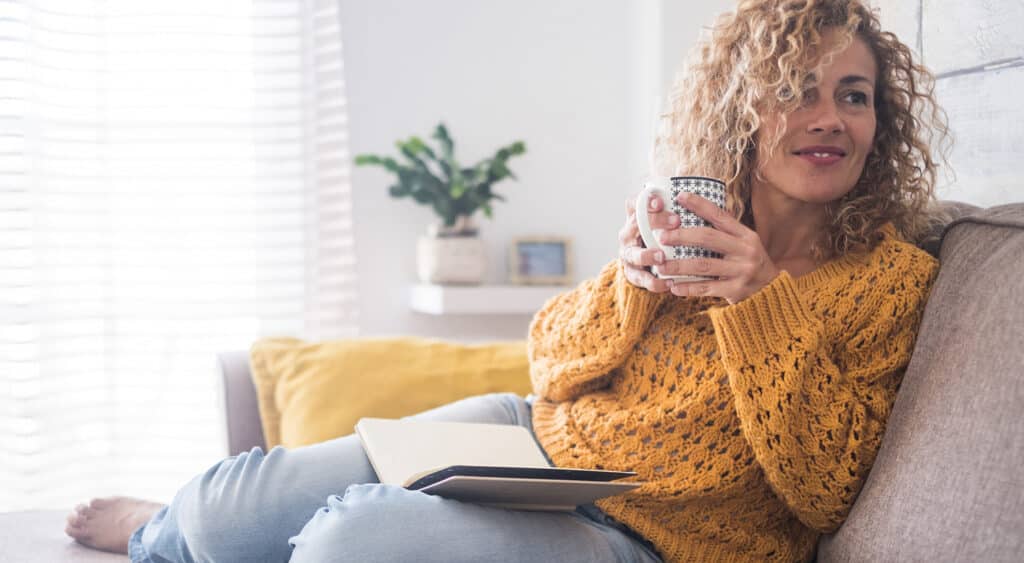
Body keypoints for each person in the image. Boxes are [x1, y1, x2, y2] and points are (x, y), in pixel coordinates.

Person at [65, 0, 950, 561]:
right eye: (798, 89)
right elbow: (550, 365)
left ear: (882, 120)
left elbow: (828, 485)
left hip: (649, 536)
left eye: (855, 94)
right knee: (225, 505)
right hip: (528, 440)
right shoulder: (693, 219)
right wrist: (630, 282)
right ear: (744, 110)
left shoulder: (893, 278)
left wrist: (759, 305)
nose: (829, 118)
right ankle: (162, 530)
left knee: (347, 538)